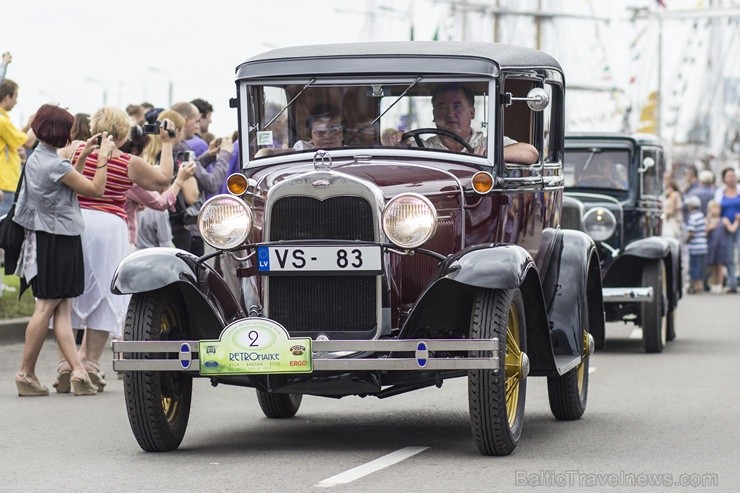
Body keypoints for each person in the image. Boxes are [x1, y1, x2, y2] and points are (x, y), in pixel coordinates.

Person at [65, 106, 176, 392]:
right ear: (125, 131)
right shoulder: (129, 161)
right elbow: (163, 179)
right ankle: (89, 362)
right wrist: (166, 144)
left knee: (71, 291)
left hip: (76, 222)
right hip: (110, 227)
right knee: (105, 294)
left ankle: (66, 364)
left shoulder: (77, 149)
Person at [12, 104, 114, 396]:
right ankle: (25, 372)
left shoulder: (37, 158)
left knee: (62, 309)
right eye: (69, 128)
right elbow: (94, 189)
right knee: (46, 307)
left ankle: (77, 371)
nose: (72, 133)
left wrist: (83, 155)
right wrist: (103, 158)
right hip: (60, 239)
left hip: (46, 238)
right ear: (60, 131)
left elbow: (68, 183)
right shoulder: (54, 164)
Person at [386, 83, 539, 164]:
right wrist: (396, 141)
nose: (450, 113)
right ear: (434, 115)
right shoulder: (422, 148)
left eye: (457, 106)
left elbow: (531, 153)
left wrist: (491, 154)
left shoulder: (486, 143)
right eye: (442, 107)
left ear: (472, 113)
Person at [0, 78, 37, 216]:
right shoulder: (3, 121)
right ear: (7, 97)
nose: (16, 101)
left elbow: (16, 139)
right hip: (4, 181)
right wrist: (38, 123)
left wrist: (27, 126)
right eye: (15, 97)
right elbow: (27, 142)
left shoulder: (3, 120)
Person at [716, 167, 740, 293]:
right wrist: (722, 220)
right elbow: (715, 209)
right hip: (725, 226)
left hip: (739, 225)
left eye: (733, 175)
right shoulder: (720, 192)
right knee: (729, 256)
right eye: (729, 176)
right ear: (724, 178)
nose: (732, 178)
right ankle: (732, 283)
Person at [705, 200, 731, 294]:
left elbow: (731, 229)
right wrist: (710, 226)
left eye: (717, 208)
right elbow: (705, 231)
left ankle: (720, 285)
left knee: (720, 266)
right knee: (713, 266)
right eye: (713, 208)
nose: (715, 210)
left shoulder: (724, 220)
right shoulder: (708, 220)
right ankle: (714, 284)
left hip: (721, 246)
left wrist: (736, 221)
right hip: (712, 246)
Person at [683, 196, 707, 294]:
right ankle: (700, 286)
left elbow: (691, 232)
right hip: (703, 246)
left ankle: (696, 287)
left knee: (694, 267)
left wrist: (685, 241)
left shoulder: (692, 217)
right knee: (700, 267)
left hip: (695, 247)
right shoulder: (701, 215)